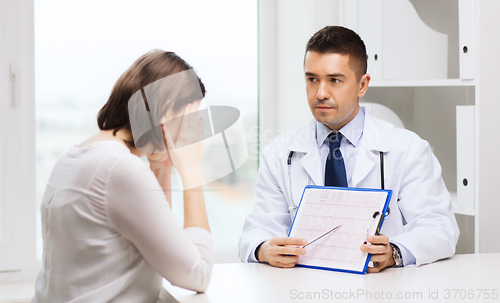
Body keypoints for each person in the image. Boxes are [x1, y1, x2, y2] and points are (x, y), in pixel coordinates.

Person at [239, 26, 459, 272]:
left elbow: (440, 227)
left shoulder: (408, 149)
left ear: (362, 85)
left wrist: (393, 253)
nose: (320, 93)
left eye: (334, 80)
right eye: (312, 79)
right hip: (304, 289)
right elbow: (255, 231)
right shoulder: (279, 154)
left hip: (381, 292)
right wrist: (264, 248)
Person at [32, 50, 213, 302]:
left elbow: (159, 245)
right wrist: (192, 172)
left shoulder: (79, 156)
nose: (192, 131)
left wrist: (161, 166)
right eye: (190, 118)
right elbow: (198, 274)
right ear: (165, 112)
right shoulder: (119, 168)